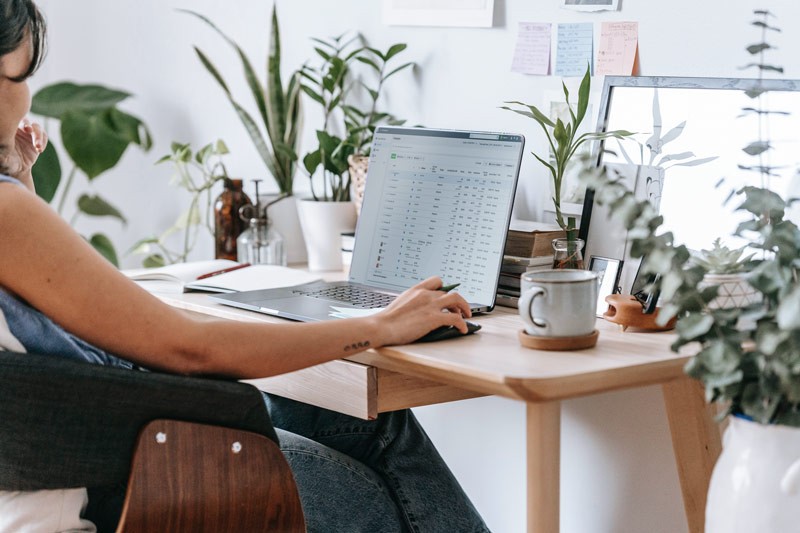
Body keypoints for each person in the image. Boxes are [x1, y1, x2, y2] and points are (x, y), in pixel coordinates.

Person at [0, 1, 491, 531]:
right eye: (22, 75)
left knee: (363, 421)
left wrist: (20, 176)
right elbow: (190, 347)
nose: (28, 95)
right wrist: (379, 325)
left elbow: (31, 318)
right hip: (146, 475)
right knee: (391, 470)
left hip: (113, 451)